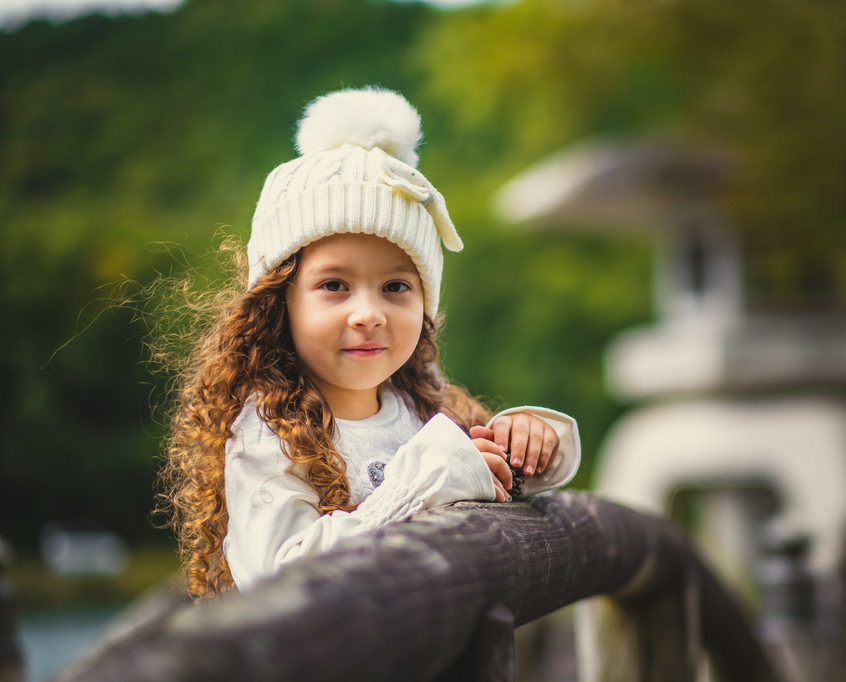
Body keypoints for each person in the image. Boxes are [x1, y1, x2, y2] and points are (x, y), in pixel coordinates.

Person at [160, 86, 580, 599]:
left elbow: (481, 478)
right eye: (334, 285)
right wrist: (421, 486)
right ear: (279, 301)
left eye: (396, 287)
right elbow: (278, 579)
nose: (369, 314)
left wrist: (523, 444)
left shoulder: (422, 404)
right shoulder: (268, 434)